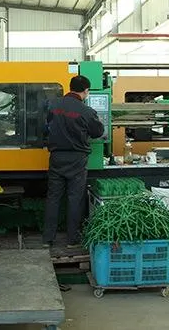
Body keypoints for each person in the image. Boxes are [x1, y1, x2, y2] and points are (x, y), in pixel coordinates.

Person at [43, 75, 105, 248]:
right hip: (77, 159)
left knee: (53, 198)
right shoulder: (86, 111)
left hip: (56, 157)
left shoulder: (53, 105)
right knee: (74, 198)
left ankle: (48, 238)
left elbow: (46, 127)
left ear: (69, 87)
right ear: (86, 91)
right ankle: (72, 240)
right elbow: (98, 132)